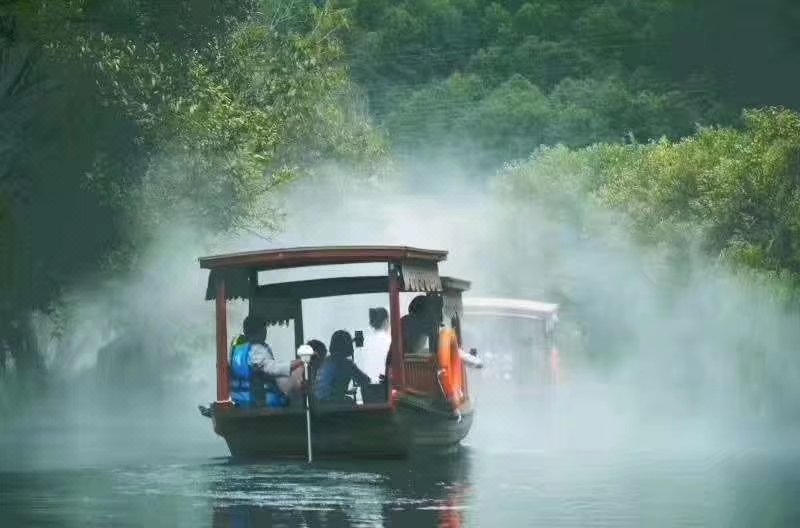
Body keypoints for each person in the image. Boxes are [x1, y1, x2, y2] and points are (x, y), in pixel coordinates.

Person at [230, 315, 303, 407]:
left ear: (245, 331)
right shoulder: (257, 350)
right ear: (262, 331)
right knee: (299, 372)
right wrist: (301, 361)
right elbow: (273, 369)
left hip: (240, 401)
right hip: (260, 404)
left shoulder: (238, 350)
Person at [313, 330, 370, 403]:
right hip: (333, 404)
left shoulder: (325, 361)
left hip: (320, 405)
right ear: (347, 345)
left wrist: (344, 391)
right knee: (351, 402)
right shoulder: (346, 363)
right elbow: (364, 380)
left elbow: (327, 387)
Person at [356, 307, 391, 384]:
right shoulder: (389, 340)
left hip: (367, 386)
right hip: (383, 385)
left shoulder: (366, 341)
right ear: (386, 321)